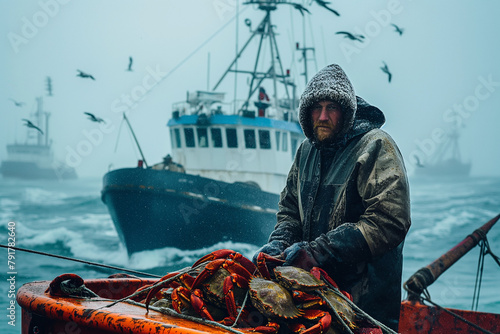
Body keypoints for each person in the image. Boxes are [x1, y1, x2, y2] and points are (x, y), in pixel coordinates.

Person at [254, 64, 411, 331]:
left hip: (363, 308)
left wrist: (316, 253)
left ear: (346, 112)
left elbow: (390, 221)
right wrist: (279, 243)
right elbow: (290, 210)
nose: (323, 116)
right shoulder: (306, 151)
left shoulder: (375, 146)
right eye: (317, 108)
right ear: (307, 113)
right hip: (311, 300)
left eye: (332, 108)